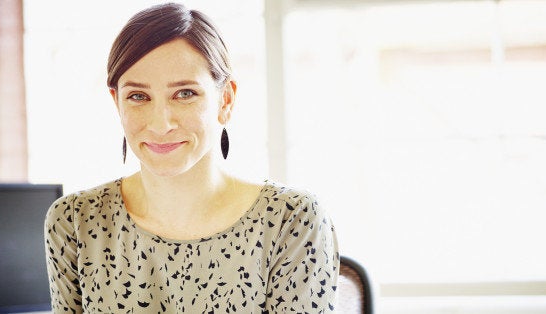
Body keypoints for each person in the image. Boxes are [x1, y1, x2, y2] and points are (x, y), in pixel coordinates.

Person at [44, 3, 339, 313]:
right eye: (138, 96)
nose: (160, 124)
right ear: (117, 102)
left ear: (225, 100)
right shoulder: (75, 220)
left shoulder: (291, 219)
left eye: (185, 93)